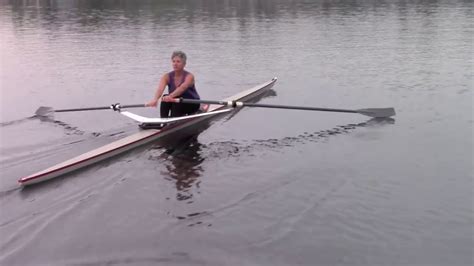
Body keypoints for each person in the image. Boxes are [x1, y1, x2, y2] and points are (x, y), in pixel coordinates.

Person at [146, 51, 200, 118]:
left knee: (174, 99)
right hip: (176, 102)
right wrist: (155, 100)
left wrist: (170, 96)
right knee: (164, 98)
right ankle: (163, 120)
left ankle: (173, 122)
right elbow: (160, 89)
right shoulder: (166, 76)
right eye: (173, 61)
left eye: (178, 62)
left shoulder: (189, 76)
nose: (175, 64)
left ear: (184, 64)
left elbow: (182, 88)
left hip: (192, 104)